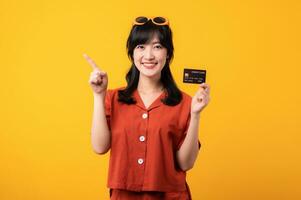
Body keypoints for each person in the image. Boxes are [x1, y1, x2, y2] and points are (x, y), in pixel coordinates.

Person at [84, 16, 210, 200]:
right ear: (132, 53)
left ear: (168, 53)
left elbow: (185, 163)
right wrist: (98, 95)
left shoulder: (185, 102)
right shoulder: (113, 98)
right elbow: (99, 146)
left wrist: (196, 114)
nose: (149, 55)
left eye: (157, 46)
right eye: (141, 46)